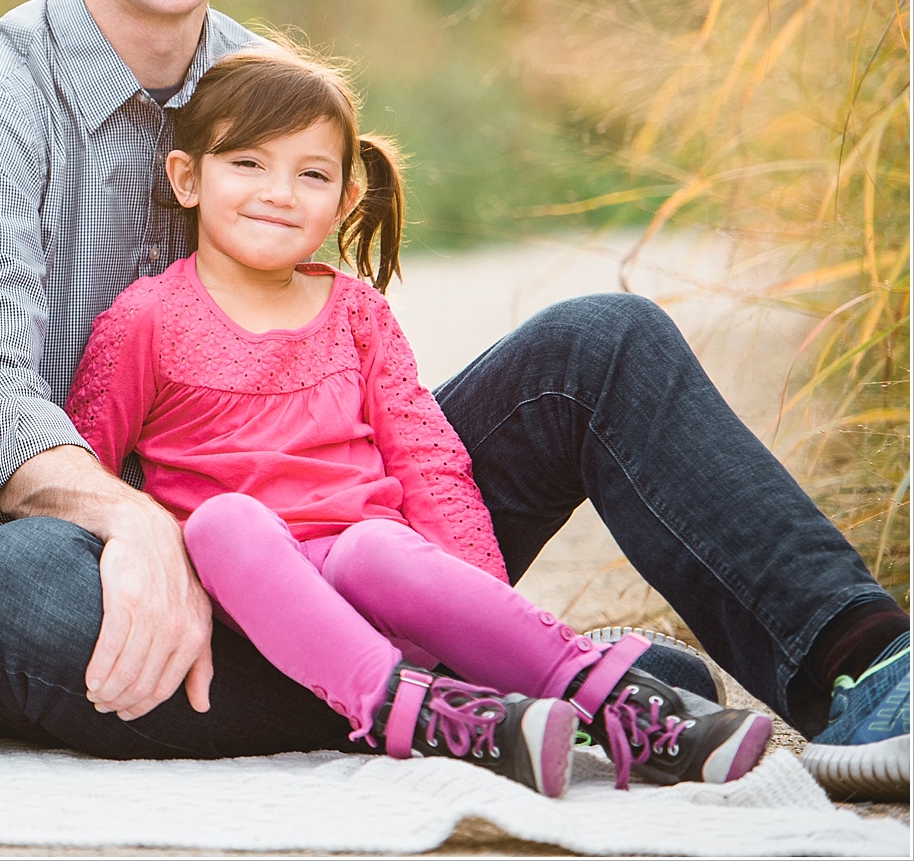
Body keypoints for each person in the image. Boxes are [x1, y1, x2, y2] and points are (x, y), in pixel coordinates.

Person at [0, 0, 909, 798]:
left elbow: (351, 385)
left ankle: (868, 682)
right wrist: (137, 526)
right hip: (79, 550)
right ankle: (534, 691)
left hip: (335, 552)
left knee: (600, 345)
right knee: (5, 595)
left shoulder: (264, 89)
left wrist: (465, 586)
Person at [68, 44, 775, 795]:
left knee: (376, 545)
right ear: (188, 179)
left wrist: (480, 610)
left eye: (310, 173)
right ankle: (418, 714)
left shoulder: (356, 314)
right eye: (247, 163)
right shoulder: (147, 318)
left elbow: (429, 462)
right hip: (252, 607)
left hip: (379, 590)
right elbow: (87, 474)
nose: (278, 192)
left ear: (343, 200)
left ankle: (627, 709)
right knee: (221, 523)